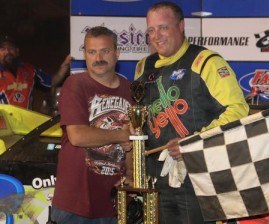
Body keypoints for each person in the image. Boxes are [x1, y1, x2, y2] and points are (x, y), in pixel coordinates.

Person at [134, 2, 249, 224]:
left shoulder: (206, 62)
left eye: (163, 27)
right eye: (151, 30)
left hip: (200, 176)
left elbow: (238, 110)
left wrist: (194, 142)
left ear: (181, 26)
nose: (156, 36)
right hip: (157, 178)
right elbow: (141, 118)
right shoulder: (143, 67)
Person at [51, 26, 134, 224]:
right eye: (92, 52)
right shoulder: (75, 84)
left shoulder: (132, 91)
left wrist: (132, 174)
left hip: (116, 200)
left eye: (105, 51)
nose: (98, 58)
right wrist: (120, 136)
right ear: (85, 55)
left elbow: (134, 138)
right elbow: (77, 136)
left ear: (117, 53)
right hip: (75, 204)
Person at [0, 34, 71, 110]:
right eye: (3, 49)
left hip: (27, 120)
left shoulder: (30, 70)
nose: (7, 51)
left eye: (10, 48)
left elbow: (52, 82)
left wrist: (65, 65)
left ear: (17, 51)